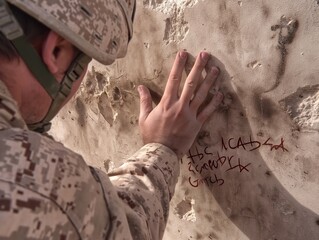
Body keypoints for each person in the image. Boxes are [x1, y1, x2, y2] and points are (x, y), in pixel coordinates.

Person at [0, 0, 223, 239]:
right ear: (57, 50)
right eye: (83, 64)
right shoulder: (43, 188)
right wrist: (163, 147)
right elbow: (122, 229)